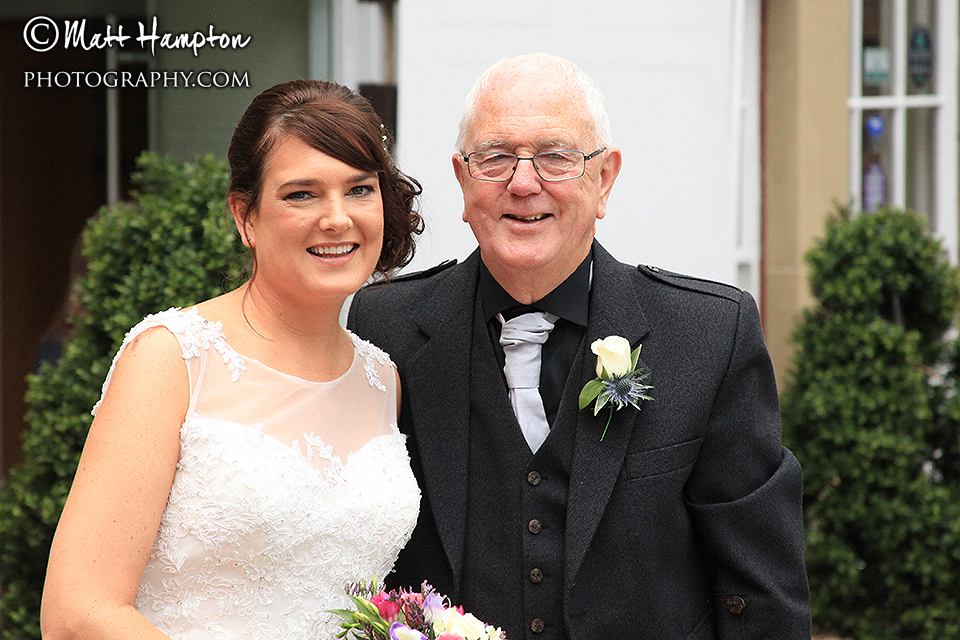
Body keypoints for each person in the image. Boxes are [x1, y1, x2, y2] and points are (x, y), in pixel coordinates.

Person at [348, 53, 811, 639]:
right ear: (463, 180)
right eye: (493, 158)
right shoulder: (385, 328)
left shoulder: (710, 335)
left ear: (604, 179)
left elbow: (762, 593)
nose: (522, 183)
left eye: (555, 157)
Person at [40, 79, 424, 639]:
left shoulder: (382, 379)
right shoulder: (173, 359)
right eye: (301, 194)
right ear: (246, 216)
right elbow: (78, 613)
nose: (338, 218)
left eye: (360, 190)